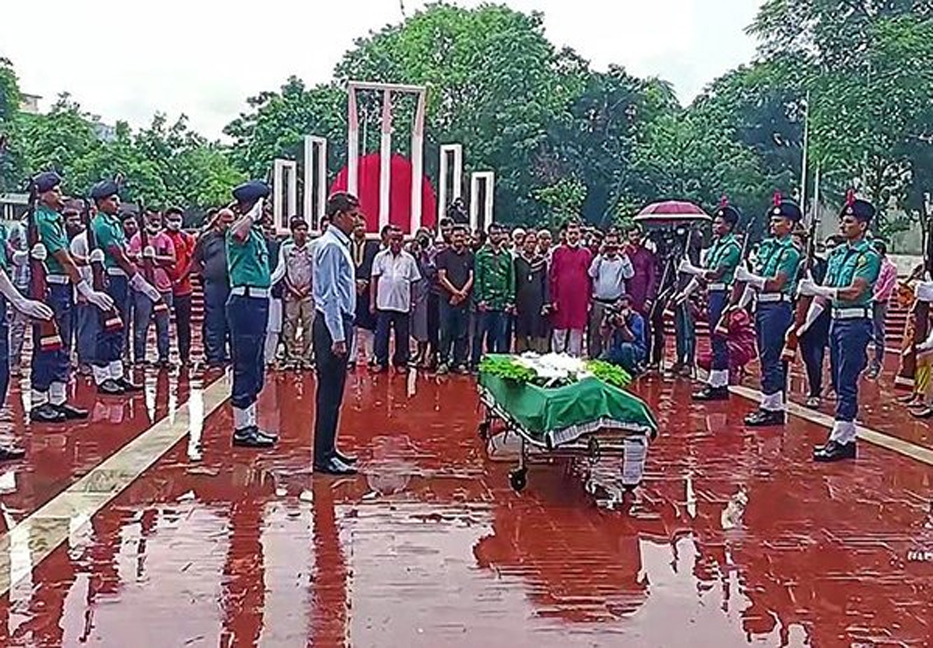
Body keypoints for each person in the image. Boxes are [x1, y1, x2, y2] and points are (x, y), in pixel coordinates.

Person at [797, 194, 881, 462]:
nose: (843, 225)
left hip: (856, 323)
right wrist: (804, 323)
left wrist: (818, 288)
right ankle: (845, 436)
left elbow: (855, 291)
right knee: (836, 377)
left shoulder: (867, 256)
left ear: (864, 225)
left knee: (846, 382)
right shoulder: (836, 255)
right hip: (836, 321)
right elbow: (824, 296)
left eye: (849, 221)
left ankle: (841, 438)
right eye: (843, 221)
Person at [29, 173, 101, 422]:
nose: (60, 195)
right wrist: (85, 287)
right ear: (42, 194)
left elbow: (68, 256)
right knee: (48, 343)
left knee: (63, 344)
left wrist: (87, 261)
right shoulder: (41, 219)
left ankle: (57, 399)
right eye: (56, 191)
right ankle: (39, 401)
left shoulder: (55, 219)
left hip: (63, 286)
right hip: (50, 287)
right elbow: (62, 258)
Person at [735, 195, 802, 427]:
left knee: (772, 358)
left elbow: (776, 282)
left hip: (777, 305)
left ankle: (772, 407)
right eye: (772, 220)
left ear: (790, 224)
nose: (773, 224)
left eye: (779, 221)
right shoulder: (766, 248)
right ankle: (770, 403)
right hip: (762, 304)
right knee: (765, 357)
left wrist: (750, 277)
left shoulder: (790, 251)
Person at [90, 181, 160, 394]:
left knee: (119, 327)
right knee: (107, 327)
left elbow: (125, 252)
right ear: (101, 202)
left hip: (122, 279)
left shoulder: (113, 222)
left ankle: (116, 373)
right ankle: (102, 376)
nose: (117, 203)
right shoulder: (101, 224)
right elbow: (118, 255)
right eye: (112, 199)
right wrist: (139, 279)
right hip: (110, 278)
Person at [312, 192, 361, 475]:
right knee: (329, 393)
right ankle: (322, 457)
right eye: (352, 215)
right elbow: (329, 293)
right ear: (339, 215)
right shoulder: (331, 246)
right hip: (333, 322)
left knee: (334, 393)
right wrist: (338, 336)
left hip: (340, 320)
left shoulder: (338, 244)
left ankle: (329, 449)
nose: (356, 221)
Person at [226, 181, 277, 448]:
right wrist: (251, 213)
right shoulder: (239, 229)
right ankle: (241, 429)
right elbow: (236, 234)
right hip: (244, 301)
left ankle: (250, 423)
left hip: (259, 301)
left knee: (256, 366)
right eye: (262, 203)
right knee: (245, 365)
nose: (266, 209)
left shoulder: (256, 233)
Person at [676, 200, 742, 400]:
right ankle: (717, 382)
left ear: (729, 226)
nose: (715, 226)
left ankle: (719, 384)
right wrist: (686, 292)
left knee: (719, 339)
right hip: (712, 293)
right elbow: (702, 277)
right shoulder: (715, 247)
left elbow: (715, 274)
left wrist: (691, 269)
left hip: (722, 294)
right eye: (714, 222)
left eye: (719, 223)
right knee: (714, 340)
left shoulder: (732, 247)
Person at [0, 215, 54, 458]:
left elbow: (8, 256)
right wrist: (19, 300)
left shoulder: (2, 228)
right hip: (10, 294)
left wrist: (27, 255)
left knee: (2, 374)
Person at [128, 209, 176, 367]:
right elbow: (130, 257)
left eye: (158, 219)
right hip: (143, 288)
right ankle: (140, 357)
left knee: (164, 325)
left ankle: (164, 357)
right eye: (151, 219)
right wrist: (140, 257)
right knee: (141, 325)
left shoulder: (166, 239)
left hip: (163, 287)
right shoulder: (137, 239)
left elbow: (172, 258)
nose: (155, 222)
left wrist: (155, 259)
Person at [371, 226, 421, 372]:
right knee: (381, 334)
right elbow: (374, 279)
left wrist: (413, 302)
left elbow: (414, 282)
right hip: (383, 302)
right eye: (393, 239)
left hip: (402, 303)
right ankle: (381, 361)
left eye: (399, 240)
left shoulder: (409, 259)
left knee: (402, 334)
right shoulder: (379, 257)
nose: (396, 243)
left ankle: (400, 362)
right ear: (388, 240)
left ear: (403, 241)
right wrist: (372, 302)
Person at [192, 208, 233, 367]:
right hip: (214, 285)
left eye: (231, 221)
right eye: (225, 221)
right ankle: (214, 356)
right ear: (217, 220)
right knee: (214, 320)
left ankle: (229, 354)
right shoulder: (206, 238)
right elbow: (195, 260)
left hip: (233, 284)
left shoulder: (235, 238)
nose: (228, 225)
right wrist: (205, 274)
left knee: (232, 320)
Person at [588, 231, 634, 359]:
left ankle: (612, 358)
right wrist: (599, 255)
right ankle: (594, 358)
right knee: (596, 333)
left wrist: (624, 257)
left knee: (615, 333)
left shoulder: (621, 260)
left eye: (614, 243)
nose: (611, 246)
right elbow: (591, 273)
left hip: (616, 302)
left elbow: (629, 275)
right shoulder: (599, 259)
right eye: (608, 243)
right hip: (599, 301)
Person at [473, 222, 514, 365]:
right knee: (480, 334)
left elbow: (511, 278)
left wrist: (510, 300)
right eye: (493, 233)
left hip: (502, 302)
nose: (496, 236)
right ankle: (476, 363)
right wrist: (480, 299)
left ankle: (500, 365)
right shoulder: (481, 254)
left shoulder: (507, 255)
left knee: (500, 335)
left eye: (499, 233)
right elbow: (477, 277)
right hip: (486, 302)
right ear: (489, 235)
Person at [276, 216, 315, 369]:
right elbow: (282, 270)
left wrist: (308, 287)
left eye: (305, 229)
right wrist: (291, 288)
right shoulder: (285, 250)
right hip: (291, 293)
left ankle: (306, 358)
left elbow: (315, 270)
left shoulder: (313, 248)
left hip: (308, 293)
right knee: (289, 325)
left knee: (309, 325)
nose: (302, 233)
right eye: (299, 230)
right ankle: (291, 357)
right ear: (292, 232)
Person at [798, 236, 832, 408]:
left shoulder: (821, 265)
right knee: (805, 355)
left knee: (816, 353)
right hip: (797, 311)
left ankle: (816, 391)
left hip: (819, 315)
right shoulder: (793, 262)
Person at [435, 224, 474, 374]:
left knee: (462, 332)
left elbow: (472, 277)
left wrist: (462, 293)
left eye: (462, 236)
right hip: (446, 299)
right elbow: (441, 277)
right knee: (445, 331)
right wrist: (455, 292)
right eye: (456, 236)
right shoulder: (443, 255)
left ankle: (460, 362)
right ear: (451, 237)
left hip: (464, 299)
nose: (459, 239)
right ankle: (443, 361)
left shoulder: (470, 256)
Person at [549, 221, 592, 357]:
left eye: (576, 233)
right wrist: (553, 299)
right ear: (565, 234)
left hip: (580, 298)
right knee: (559, 328)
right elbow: (552, 277)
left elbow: (590, 278)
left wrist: (589, 300)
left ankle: (574, 359)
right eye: (570, 233)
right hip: (561, 297)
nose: (573, 236)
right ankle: (556, 358)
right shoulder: (558, 252)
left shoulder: (586, 253)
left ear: (580, 235)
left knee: (577, 329)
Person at [164, 207, 196, 366]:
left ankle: (185, 356)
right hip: (164, 287)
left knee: (184, 324)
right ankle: (164, 356)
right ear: (166, 220)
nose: (175, 223)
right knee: (162, 323)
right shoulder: (161, 237)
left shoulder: (187, 238)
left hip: (184, 288)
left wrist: (181, 279)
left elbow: (192, 262)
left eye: (178, 220)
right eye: (172, 220)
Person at [623, 226, 659, 367]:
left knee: (645, 329)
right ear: (627, 236)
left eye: (637, 235)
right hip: (627, 296)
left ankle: (644, 359)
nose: (635, 238)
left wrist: (649, 298)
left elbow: (652, 278)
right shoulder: (624, 253)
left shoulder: (647, 254)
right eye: (632, 235)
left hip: (643, 296)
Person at [350, 217, 379, 369]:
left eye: (362, 225)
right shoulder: (346, 245)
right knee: (352, 325)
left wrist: (366, 282)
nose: (359, 228)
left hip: (368, 291)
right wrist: (354, 282)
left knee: (369, 326)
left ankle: (370, 356)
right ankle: (351, 357)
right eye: (357, 225)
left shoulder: (374, 247)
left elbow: (375, 268)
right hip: (351, 289)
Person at [513, 231, 550, 353]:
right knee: (521, 330)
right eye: (528, 242)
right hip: (521, 301)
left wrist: (545, 303)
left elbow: (545, 284)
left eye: (533, 242)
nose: (531, 245)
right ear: (523, 243)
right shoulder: (517, 262)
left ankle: (536, 356)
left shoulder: (541, 262)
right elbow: (514, 282)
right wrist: (513, 302)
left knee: (536, 329)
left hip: (537, 302)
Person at [868, 240, 897, 378]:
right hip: (865, 300)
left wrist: (875, 297)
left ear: (880, 251)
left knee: (878, 332)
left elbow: (888, 287)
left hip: (879, 302)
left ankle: (877, 363)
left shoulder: (890, 267)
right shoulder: (870, 263)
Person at [600, 294, 647, 375]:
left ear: (630, 307)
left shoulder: (637, 319)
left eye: (624, 307)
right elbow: (603, 334)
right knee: (602, 359)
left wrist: (622, 326)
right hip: (617, 348)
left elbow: (631, 338)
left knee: (626, 347)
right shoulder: (614, 317)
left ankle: (633, 369)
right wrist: (606, 319)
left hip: (635, 349)